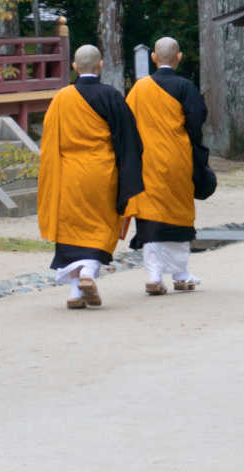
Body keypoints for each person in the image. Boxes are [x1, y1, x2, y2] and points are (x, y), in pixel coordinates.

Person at [37, 44, 143, 310]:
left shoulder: (62, 98)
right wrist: (127, 172)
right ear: (100, 65)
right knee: (100, 226)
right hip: (102, 173)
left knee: (72, 230)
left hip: (69, 174)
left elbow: (49, 141)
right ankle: (87, 273)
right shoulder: (111, 96)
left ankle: (74, 291)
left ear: (74, 67)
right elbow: (130, 140)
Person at [124, 36, 211, 295]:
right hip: (177, 159)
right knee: (179, 215)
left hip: (146, 161)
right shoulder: (185, 87)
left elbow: (127, 122)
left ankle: (153, 275)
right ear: (179, 57)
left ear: (153, 58)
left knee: (149, 216)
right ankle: (181, 274)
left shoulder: (139, 89)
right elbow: (196, 121)